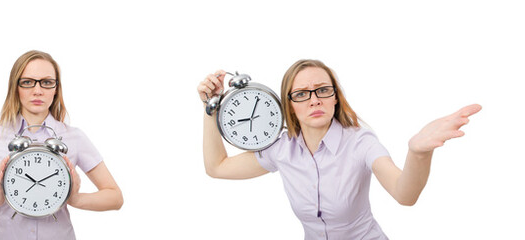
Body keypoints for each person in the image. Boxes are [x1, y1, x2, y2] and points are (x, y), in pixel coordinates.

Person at [199, 59, 481, 239]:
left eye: (323, 89)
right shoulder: (281, 149)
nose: (314, 100)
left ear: (335, 97)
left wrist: (418, 153)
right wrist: (211, 108)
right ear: (290, 106)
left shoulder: (360, 142)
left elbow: (404, 194)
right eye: (301, 94)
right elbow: (217, 167)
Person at [0, 50, 124, 239]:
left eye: (46, 82)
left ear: (56, 89)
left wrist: (76, 198)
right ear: (16, 87)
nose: (37, 91)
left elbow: (115, 197)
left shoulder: (74, 137)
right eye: (28, 82)